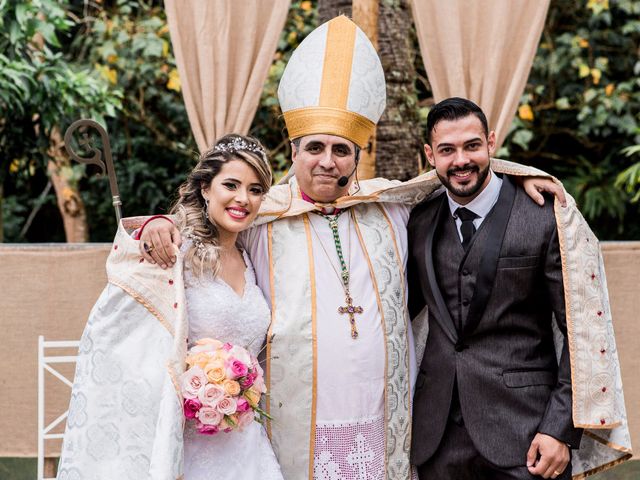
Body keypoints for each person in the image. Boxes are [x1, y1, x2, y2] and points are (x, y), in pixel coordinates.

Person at [139, 17, 567, 480]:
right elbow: (208, 212)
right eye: (315, 147)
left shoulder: (391, 206)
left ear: (357, 157)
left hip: (382, 416)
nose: (327, 160)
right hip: (296, 421)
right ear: (294, 152)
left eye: (341, 149)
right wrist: (157, 223)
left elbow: (457, 173)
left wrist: (521, 175)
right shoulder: (261, 215)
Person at [57, 134, 284, 480]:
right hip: (185, 444)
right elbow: (129, 270)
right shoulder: (176, 253)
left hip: (245, 445)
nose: (243, 198)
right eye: (232, 185)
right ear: (206, 188)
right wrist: (154, 223)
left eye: (255, 190)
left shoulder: (253, 255)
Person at [406, 97, 610, 480]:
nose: (461, 160)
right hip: (437, 439)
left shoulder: (545, 217)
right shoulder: (418, 220)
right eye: (447, 150)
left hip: (527, 433)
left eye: (472, 146)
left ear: (492, 144)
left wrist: (559, 428)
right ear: (430, 154)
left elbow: (582, 330)